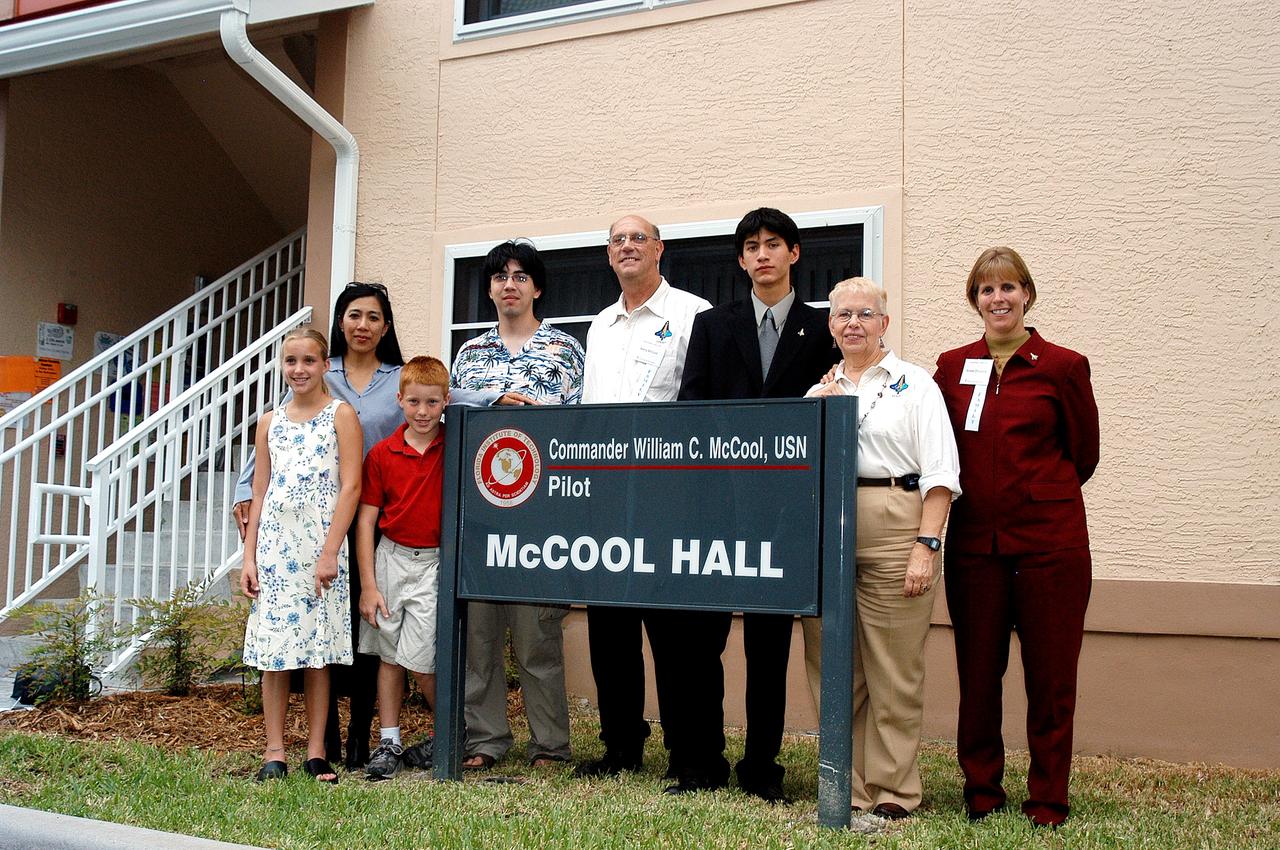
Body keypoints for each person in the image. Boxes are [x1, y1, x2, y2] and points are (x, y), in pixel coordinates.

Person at [232, 282, 523, 769]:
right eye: (353, 315)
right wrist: (245, 492)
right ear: (340, 325)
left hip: (374, 522)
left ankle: (362, 738)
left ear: (385, 327)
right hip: (318, 528)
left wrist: (495, 398)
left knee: (367, 642)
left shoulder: (397, 380)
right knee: (331, 637)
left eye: (372, 317)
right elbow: (276, 444)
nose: (362, 325)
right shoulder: (323, 379)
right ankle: (316, 745)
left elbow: (443, 394)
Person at [677, 207, 839, 802]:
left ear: (795, 254)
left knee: (769, 645)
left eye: (774, 244)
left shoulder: (825, 330)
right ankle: (702, 762)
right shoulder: (713, 326)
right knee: (703, 643)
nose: (763, 254)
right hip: (718, 506)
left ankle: (762, 768)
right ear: (741, 259)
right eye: (752, 246)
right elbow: (692, 410)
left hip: (785, 512)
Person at [933, 247, 1099, 827]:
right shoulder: (952, 367)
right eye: (986, 290)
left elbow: (1083, 455)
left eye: (1008, 288)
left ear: (1027, 294)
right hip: (976, 547)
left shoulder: (1063, 365)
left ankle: (1048, 797)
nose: (997, 299)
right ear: (973, 300)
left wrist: (1034, 494)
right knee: (978, 676)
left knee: (1051, 680)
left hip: (1051, 547)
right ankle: (981, 790)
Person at [804, 278, 961, 827]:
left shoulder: (915, 385)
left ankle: (893, 788)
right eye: (843, 314)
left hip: (897, 523)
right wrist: (819, 412)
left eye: (865, 314)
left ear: (884, 324)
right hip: (831, 529)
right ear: (830, 326)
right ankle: (842, 782)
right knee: (832, 666)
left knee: (894, 668)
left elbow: (941, 474)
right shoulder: (818, 392)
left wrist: (927, 544)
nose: (853, 323)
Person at [575, 215, 712, 790]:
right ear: (608, 256)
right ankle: (621, 746)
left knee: (674, 633)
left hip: (668, 494)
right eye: (617, 240)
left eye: (638, 238)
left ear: (659, 250)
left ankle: (690, 754)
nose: (627, 247)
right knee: (610, 629)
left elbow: (704, 406)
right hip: (606, 493)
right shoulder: (599, 324)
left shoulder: (694, 314)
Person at [449, 240, 585, 770]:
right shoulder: (470, 356)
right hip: (482, 514)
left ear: (537, 287)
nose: (510, 284)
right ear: (489, 288)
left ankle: (550, 745)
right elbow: (450, 411)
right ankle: (485, 741)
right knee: (479, 636)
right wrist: (490, 400)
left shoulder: (565, 351)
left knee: (536, 638)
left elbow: (578, 427)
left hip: (540, 514)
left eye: (521, 276)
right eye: (501, 276)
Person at [240, 327, 363, 784]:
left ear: (325, 365)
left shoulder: (340, 415)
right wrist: (249, 556)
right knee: (276, 654)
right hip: (275, 549)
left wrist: (331, 550)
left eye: (308, 361)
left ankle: (315, 753)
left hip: (321, 551)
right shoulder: (270, 422)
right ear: (282, 366)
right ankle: (274, 751)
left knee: (316, 651)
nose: (299, 370)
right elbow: (259, 489)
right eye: (291, 361)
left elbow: (351, 486)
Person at [357, 356, 450, 781]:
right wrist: (369, 586)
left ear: (446, 401)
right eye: (414, 401)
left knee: (422, 661)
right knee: (389, 656)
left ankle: (450, 731)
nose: (423, 411)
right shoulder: (381, 454)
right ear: (399, 401)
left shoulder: (455, 446)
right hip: (390, 559)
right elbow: (366, 522)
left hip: (433, 562)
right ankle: (389, 739)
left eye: (432, 402)